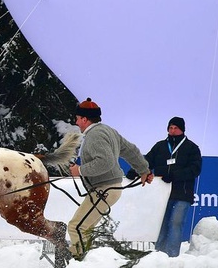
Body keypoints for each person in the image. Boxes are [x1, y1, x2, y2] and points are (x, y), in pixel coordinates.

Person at [67, 98, 153, 258]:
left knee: (76, 227)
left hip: (105, 188)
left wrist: (79, 170)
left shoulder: (94, 135)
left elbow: (105, 162)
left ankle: (80, 265)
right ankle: (89, 264)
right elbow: (130, 150)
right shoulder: (108, 131)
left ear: (85, 119)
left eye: (77, 118)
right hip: (109, 188)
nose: (76, 122)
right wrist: (144, 170)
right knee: (85, 229)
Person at [142, 117, 202, 257]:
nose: (172, 131)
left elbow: (195, 169)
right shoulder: (160, 146)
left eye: (175, 128)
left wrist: (175, 175)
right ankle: (158, 256)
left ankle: (172, 256)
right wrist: (137, 171)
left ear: (182, 129)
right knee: (161, 224)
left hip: (182, 193)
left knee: (176, 222)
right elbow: (147, 161)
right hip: (162, 193)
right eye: (170, 128)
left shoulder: (192, 148)